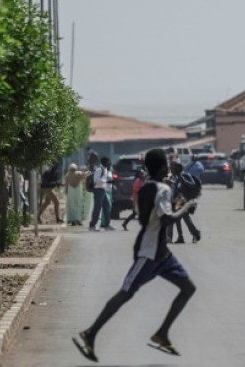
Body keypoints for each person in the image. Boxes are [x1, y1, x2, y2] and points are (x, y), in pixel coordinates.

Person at [72, 149, 198, 362]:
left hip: (162, 254)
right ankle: (90, 333)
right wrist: (186, 207)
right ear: (161, 168)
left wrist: (177, 205)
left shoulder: (149, 187)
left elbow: (152, 215)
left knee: (188, 288)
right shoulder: (161, 189)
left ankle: (162, 333)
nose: (169, 168)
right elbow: (166, 220)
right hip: (149, 253)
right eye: (166, 165)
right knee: (125, 293)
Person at [168, 161, 201, 244]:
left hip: (183, 200)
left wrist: (184, 180)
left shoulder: (185, 175)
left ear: (179, 168)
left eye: (174, 168)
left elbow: (193, 185)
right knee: (179, 219)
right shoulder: (177, 176)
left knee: (177, 218)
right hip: (178, 200)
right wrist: (171, 183)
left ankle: (194, 234)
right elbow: (178, 186)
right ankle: (183, 236)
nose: (172, 170)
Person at [89, 157, 115, 232]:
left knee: (107, 207)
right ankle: (92, 225)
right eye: (108, 162)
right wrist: (107, 181)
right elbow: (96, 180)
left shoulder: (105, 170)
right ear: (104, 162)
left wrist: (108, 182)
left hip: (103, 190)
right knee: (97, 208)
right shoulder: (99, 170)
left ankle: (107, 225)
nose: (109, 163)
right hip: (98, 190)